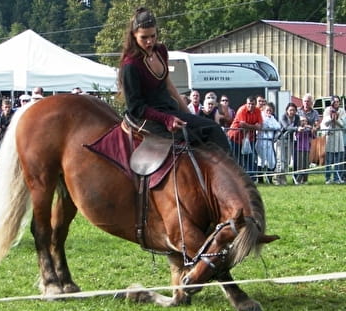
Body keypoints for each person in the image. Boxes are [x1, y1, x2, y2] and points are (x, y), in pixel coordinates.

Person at [118, 7, 230, 152]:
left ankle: (232, 173)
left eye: (153, 36)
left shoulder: (161, 50)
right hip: (146, 119)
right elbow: (136, 108)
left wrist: (189, 115)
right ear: (134, 35)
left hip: (170, 109)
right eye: (144, 38)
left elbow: (168, 84)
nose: (149, 42)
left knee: (213, 129)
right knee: (188, 141)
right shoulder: (131, 65)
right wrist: (166, 119)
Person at [228, 95, 262, 177]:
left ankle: (251, 177)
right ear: (246, 103)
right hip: (235, 138)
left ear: (255, 104)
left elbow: (260, 126)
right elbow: (242, 124)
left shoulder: (258, 111)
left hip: (249, 138)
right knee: (236, 159)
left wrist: (249, 126)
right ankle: (236, 177)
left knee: (250, 158)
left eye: (253, 104)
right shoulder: (242, 110)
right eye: (249, 104)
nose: (250, 106)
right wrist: (254, 126)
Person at [320, 95, 346, 184]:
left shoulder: (342, 110)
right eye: (334, 102)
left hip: (339, 137)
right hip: (330, 136)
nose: (336, 103)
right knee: (329, 159)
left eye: (337, 101)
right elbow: (324, 123)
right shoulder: (327, 110)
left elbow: (342, 124)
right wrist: (331, 118)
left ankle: (337, 177)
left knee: (339, 159)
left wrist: (336, 119)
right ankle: (328, 178)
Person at [275, 102, 300, 185]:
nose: (292, 112)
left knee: (287, 161)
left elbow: (298, 125)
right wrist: (297, 128)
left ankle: (283, 179)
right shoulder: (283, 117)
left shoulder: (297, 118)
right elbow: (286, 127)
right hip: (281, 140)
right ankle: (277, 179)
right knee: (280, 160)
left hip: (290, 140)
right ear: (287, 110)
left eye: (293, 110)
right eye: (290, 110)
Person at [255, 103, 280, 183]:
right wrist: (270, 127)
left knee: (272, 161)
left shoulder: (272, 118)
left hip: (269, 142)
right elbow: (263, 125)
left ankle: (269, 178)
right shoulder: (261, 116)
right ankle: (260, 179)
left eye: (270, 110)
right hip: (261, 140)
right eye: (267, 110)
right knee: (261, 161)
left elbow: (278, 126)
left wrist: (270, 127)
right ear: (263, 110)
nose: (269, 112)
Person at [295, 115, 315, 184]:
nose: (304, 122)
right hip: (300, 148)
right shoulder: (298, 128)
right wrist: (302, 129)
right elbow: (297, 136)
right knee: (300, 165)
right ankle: (298, 180)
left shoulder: (308, 129)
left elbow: (313, 137)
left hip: (307, 148)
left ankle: (305, 180)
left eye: (305, 121)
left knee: (306, 165)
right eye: (302, 121)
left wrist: (312, 130)